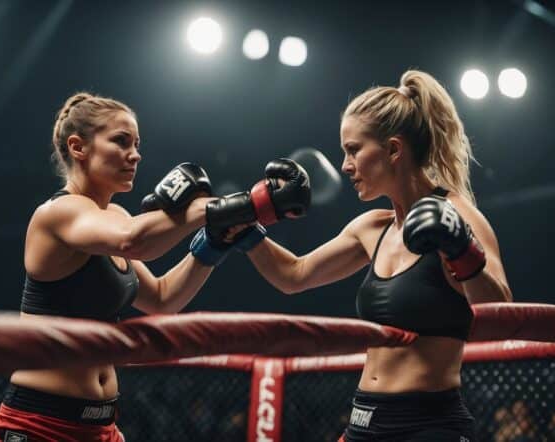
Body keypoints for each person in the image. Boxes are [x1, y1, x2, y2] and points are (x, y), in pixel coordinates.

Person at [0, 92, 311, 442]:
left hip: (100, 426)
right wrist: (246, 204)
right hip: (41, 424)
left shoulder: (115, 217)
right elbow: (134, 241)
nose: (135, 154)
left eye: (137, 143)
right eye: (121, 141)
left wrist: (214, 243)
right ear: (78, 147)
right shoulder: (57, 214)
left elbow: (161, 298)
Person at [215, 70, 513, 441]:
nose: (345, 165)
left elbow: (502, 314)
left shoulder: (459, 215)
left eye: (353, 150)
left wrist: (462, 251)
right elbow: (294, 275)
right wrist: (247, 229)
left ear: (392, 149)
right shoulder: (371, 227)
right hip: (362, 424)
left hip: (428, 427)